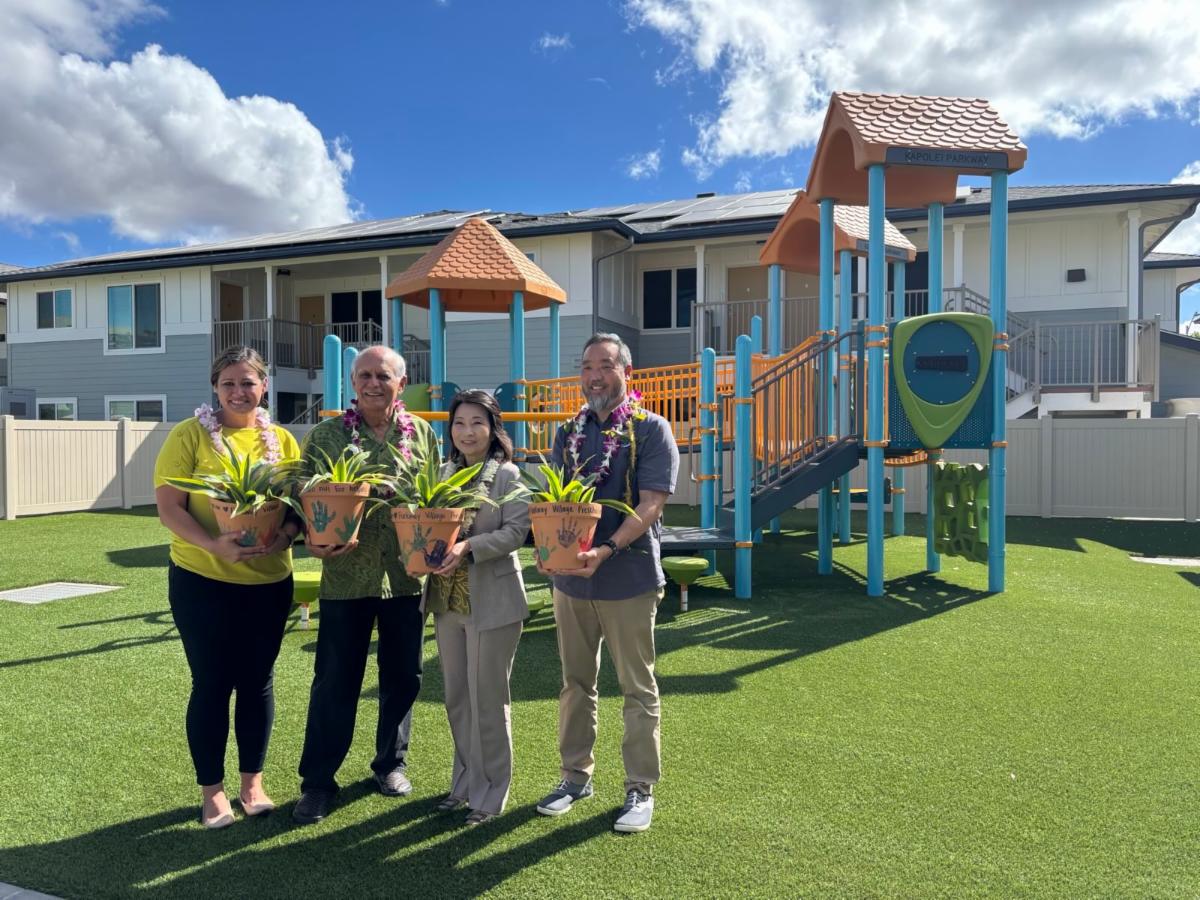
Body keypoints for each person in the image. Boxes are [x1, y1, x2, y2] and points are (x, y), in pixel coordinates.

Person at [154, 346, 303, 829]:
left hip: (269, 582)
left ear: (265, 386)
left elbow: (297, 508)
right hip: (203, 581)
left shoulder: (283, 440)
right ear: (215, 389)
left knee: (257, 682)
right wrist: (213, 545)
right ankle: (212, 792)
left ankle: (252, 784)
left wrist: (284, 537)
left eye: (248, 383)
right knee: (212, 683)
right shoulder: (190, 435)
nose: (239, 392)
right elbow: (169, 508)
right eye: (229, 384)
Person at [536, 333, 679, 834]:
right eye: (586, 366)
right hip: (572, 583)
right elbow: (557, 504)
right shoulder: (568, 432)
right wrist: (547, 549)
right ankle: (575, 777)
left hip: (628, 578)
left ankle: (640, 787)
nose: (594, 376)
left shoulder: (651, 429)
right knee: (575, 683)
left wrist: (607, 549)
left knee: (637, 687)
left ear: (626, 372)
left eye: (605, 366)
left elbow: (651, 504)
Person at [292, 345, 437, 826]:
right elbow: (301, 495)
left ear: (401, 382)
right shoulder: (327, 435)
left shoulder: (423, 435)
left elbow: (436, 497)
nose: (373, 384)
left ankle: (390, 765)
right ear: (352, 383)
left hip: (405, 577)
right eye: (364, 376)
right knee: (335, 681)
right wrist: (313, 539)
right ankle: (317, 782)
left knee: (403, 678)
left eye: (383, 376)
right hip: (345, 577)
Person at [422, 390, 531, 826]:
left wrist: (468, 546)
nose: (467, 432)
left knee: (487, 699)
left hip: (492, 602)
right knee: (457, 697)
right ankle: (464, 783)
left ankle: (490, 792)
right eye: (459, 423)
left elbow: (516, 532)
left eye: (477, 423)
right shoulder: (442, 473)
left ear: (493, 429)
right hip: (447, 600)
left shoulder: (507, 475)